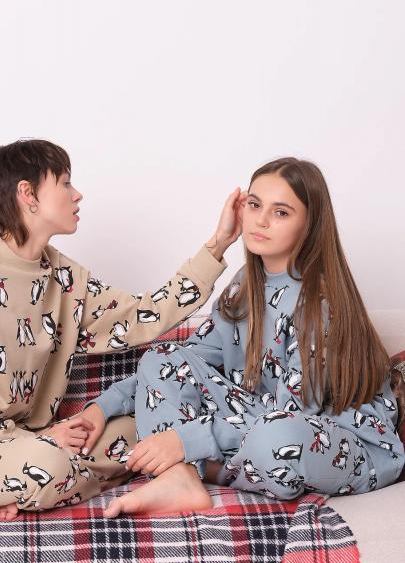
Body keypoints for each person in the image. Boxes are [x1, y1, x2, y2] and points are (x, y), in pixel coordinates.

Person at [0, 138, 241, 520]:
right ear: (28, 194)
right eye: (65, 183)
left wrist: (217, 245)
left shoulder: (63, 277)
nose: (77, 194)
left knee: (142, 429)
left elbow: (140, 317)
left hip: (24, 448)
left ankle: (20, 488)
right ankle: (28, 483)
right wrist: (33, 441)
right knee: (48, 464)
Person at [79, 156, 405, 518]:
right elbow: (185, 363)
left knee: (274, 438)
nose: (261, 220)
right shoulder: (244, 287)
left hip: (334, 440)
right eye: (254, 205)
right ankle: (180, 477)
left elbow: (291, 415)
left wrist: (188, 438)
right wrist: (102, 406)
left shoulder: (320, 304)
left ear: (309, 224)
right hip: (260, 423)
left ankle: (206, 466)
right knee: (162, 358)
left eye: (281, 212)